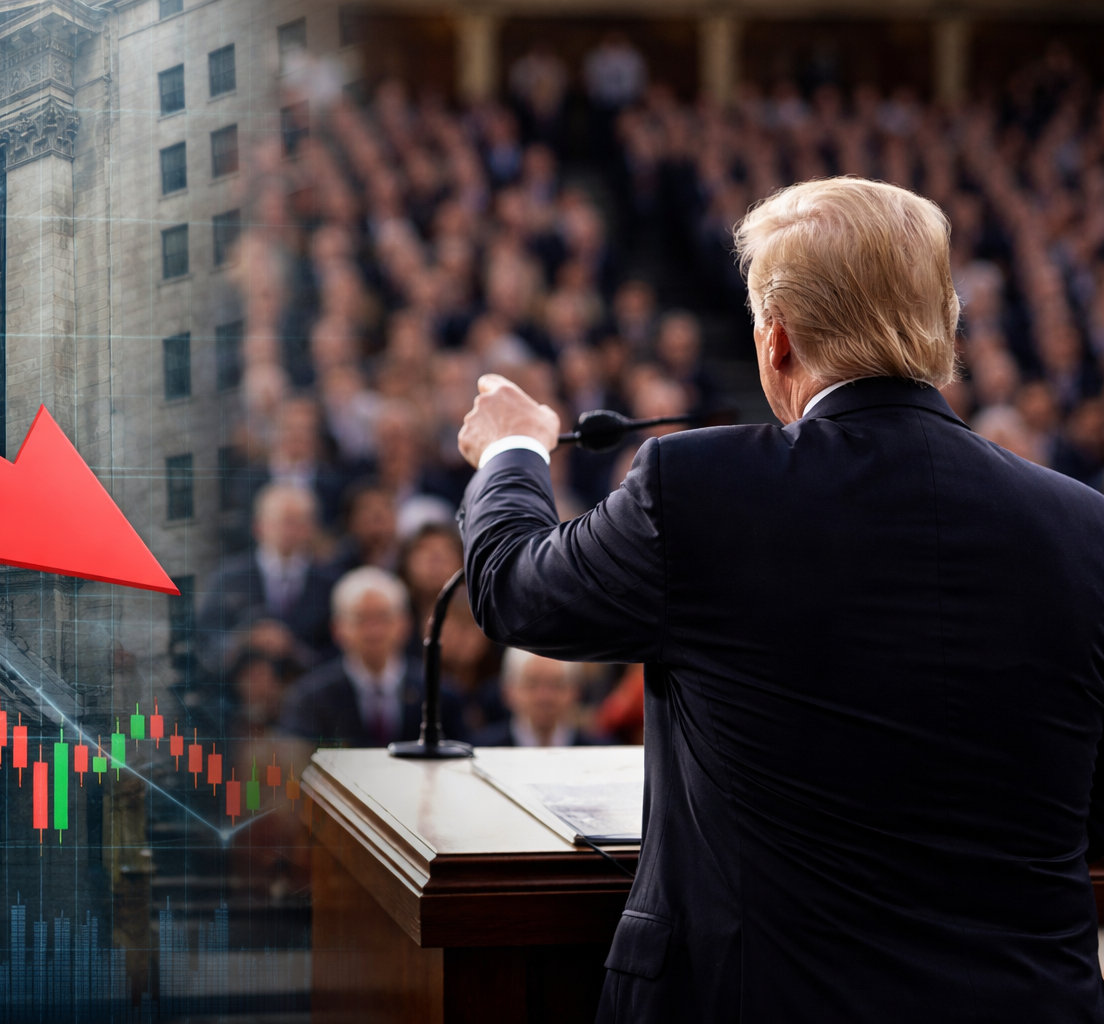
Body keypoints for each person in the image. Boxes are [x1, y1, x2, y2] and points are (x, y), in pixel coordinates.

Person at [455, 177, 1104, 1020]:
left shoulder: (701, 489)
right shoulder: (1084, 526)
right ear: (946, 329)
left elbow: (514, 588)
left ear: (776, 341)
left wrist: (512, 448)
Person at [280, 566, 464, 748]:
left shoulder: (439, 694)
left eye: (384, 617)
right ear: (337, 629)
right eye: (361, 619)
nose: (374, 631)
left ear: (404, 624)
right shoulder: (309, 700)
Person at [196, 482, 338, 677]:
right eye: (281, 521)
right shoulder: (228, 579)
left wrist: (295, 649)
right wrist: (245, 640)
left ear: (310, 528)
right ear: (259, 526)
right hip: (240, 692)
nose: (288, 530)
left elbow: (337, 648)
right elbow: (206, 637)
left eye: (297, 522)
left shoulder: (329, 582)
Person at [472, 648, 605, 747]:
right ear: (508, 691)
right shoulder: (481, 751)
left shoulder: (602, 753)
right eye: (532, 684)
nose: (544, 697)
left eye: (557, 685)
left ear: (576, 691)